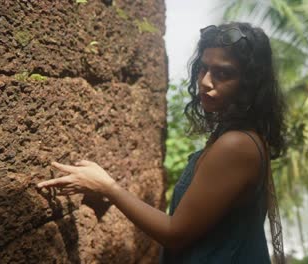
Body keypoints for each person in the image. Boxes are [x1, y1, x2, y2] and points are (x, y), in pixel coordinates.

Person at [37, 22, 286, 264]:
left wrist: (106, 187)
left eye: (223, 74)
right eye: (203, 68)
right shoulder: (237, 135)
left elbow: (174, 234)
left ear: (250, 83)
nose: (206, 82)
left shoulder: (236, 145)